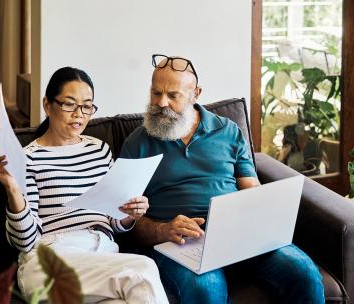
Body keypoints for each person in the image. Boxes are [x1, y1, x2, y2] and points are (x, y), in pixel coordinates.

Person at [120, 54, 325, 303]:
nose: (161, 103)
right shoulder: (138, 142)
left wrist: (258, 218)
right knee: (206, 288)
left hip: (237, 236)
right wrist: (163, 229)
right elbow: (128, 221)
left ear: (196, 94)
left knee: (305, 273)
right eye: (155, 93)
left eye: (173, 96)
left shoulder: (228, 131)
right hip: (178, 242)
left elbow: (252, 189)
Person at [0, 67, 168, 304]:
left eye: (87, 106)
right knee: (143, 270)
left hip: (102, 256)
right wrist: (13, 190)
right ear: (47, 105)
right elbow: (25, 240)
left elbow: (114, 221)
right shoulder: (28, 158)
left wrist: (129, 214)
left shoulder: (100, 150)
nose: (79, 114)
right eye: (69, 104)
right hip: (50, 259)